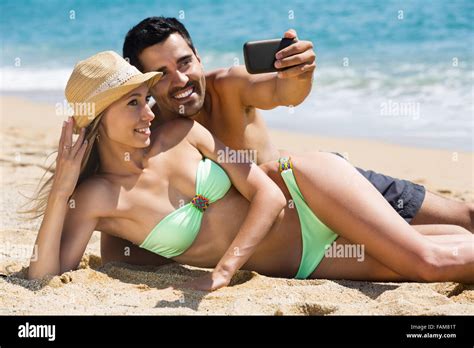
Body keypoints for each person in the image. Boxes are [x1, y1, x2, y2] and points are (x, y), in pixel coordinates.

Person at [26, 51, 474, 291]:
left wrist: (225, 271)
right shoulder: (96, 199)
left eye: (145, 99)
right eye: (132, 103)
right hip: (306, 262)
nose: (148, 112)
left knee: (429, 262)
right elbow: (46, 275)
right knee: (452, 256)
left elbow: (268, 192)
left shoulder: (182, 133)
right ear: (98, 119)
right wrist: (64, 184)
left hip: (308, 190)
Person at [101, 16, 473, 267]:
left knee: (464, 218)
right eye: (162, 74)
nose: (180, 80)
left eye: (185, 63)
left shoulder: (227, 85)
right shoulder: (148, 132)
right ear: (143, 81)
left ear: (199, 57)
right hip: (297, 237)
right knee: (434, 244)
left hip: (328, 191)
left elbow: (284, 92)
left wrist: (299, 71)